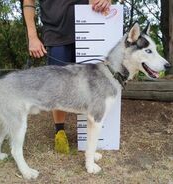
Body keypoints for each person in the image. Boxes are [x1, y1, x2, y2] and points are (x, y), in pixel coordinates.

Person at [23, 0, 111, 154]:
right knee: (58, 88)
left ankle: (91, 136)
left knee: (93, 85)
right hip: (56, 35)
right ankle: (60, 131)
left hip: (91, 26)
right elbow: (28, 2)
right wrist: (32, 37)